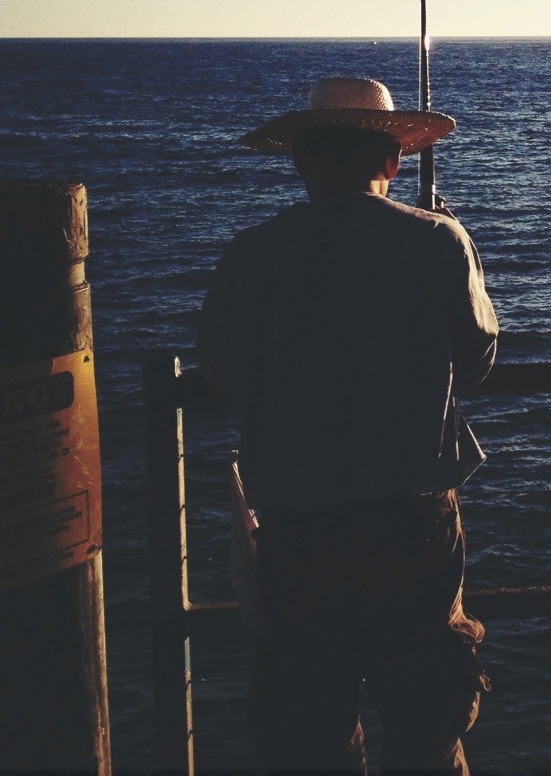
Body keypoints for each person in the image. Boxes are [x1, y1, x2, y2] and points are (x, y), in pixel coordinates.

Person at [197, 77, 498, 773]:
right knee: (427, 729)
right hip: (413, 529)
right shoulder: (438, 240)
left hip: (299, 533)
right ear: (392, 162)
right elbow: (477, 361)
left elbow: (220, 372)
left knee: (310, 735)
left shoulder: (252, 253)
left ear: (302, 160)